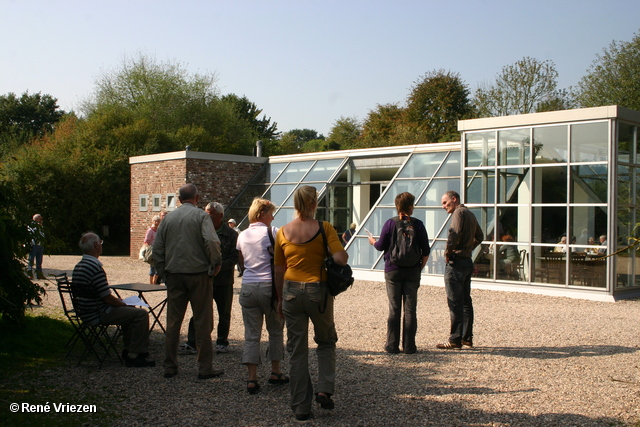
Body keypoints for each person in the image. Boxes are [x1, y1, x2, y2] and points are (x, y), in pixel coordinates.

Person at [274, 185, 348, 421]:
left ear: (295, 204)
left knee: (297, 350)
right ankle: (324, 389)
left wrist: (278, 298)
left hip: (290, 292)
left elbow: (278, 269)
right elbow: (340, 259)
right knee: (326, 341)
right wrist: (331, 249)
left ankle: (301, 407)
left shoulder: (283, 231)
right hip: (319, 290)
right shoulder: (324, 228)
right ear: (314, 203)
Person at [153, 183, 224, 379]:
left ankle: (170, 366)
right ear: (197, 197)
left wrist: (163, 272)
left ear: (179, 199)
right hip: (199, 274)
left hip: (174, 274)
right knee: (202, 321)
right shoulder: (201, 216)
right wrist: (215, 262)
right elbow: (211, 241)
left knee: (173, 322)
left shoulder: (168, 219)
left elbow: (157, 249)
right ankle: (204, 367)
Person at [72, 232, 155, 367]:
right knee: (141, 314)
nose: (101, 245)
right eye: (100, 242)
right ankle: (135, 354)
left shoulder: (80, 266)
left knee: (130, 312)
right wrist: (122, 302)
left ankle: (130, 350)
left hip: (85, 310)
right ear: (95, 245)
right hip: (97, 312)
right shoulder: (95, 267)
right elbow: (106, 297)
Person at [237, 198, 288, 395]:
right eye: (271, 213)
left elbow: (242, 264)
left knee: (251, 334)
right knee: (275, 330)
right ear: (262, 214)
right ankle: (275, 371)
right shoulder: (273, 232)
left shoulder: (242, 235)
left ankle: (252, 377)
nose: (273, 217)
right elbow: (281, 261)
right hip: (269, 286)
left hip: (248, 286)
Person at [368, 192, 430, 354]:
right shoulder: (418, 225)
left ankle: (392, 345)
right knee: (410, 309)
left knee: (394, 308)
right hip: (412, 271)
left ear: (397, 207)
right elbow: (426, 251)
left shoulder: (390, 224)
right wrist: (418, 268)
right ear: (411, 207)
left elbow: (381, 246)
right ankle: (409, 346)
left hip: (393, 270)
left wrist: (373, 241)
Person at [183, 202, 239, 355]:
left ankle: (222, 341)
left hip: (223, 281)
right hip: (205, 279)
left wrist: (219, 267)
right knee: (200, 311)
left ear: (220, 216)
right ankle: (192, 342)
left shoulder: (232, 234)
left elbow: (234, 257)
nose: (207, 218)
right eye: (206, 215)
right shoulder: (200, 231)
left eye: (211, 216)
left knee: (224, 312)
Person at [438, 190, 484, 349]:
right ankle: (467, 338)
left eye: (445, 202)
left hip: (456, 261)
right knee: (465, 301)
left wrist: (448, 252)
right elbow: (480, 236)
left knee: (454, 302)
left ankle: (454, 339)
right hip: (466, 261)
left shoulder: (458, 213)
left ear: (454, 199)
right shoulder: (470, 214)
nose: (443, 206)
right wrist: (469, 248)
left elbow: (454, 233)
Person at [143, 215, 161, 284]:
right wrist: (148, 250)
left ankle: (154, 282)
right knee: (152, 267)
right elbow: (146, 241)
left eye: (158, 221)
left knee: (159, 267)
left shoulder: (159, 230)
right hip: (152, 250)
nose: (156, 222)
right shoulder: (150, 230)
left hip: (158, 250)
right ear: (152, 221)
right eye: (155, 221)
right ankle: (151, 283)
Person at [27, 214, 45, 279]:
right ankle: (30, 274)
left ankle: (39, 274)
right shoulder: (31, 226)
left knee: (39, 261)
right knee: (31, 260)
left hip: (40, 245)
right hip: (33, 245)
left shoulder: (41, 226)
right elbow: (31, 234)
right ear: (36, 219)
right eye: (40, 219)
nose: (41, 220)